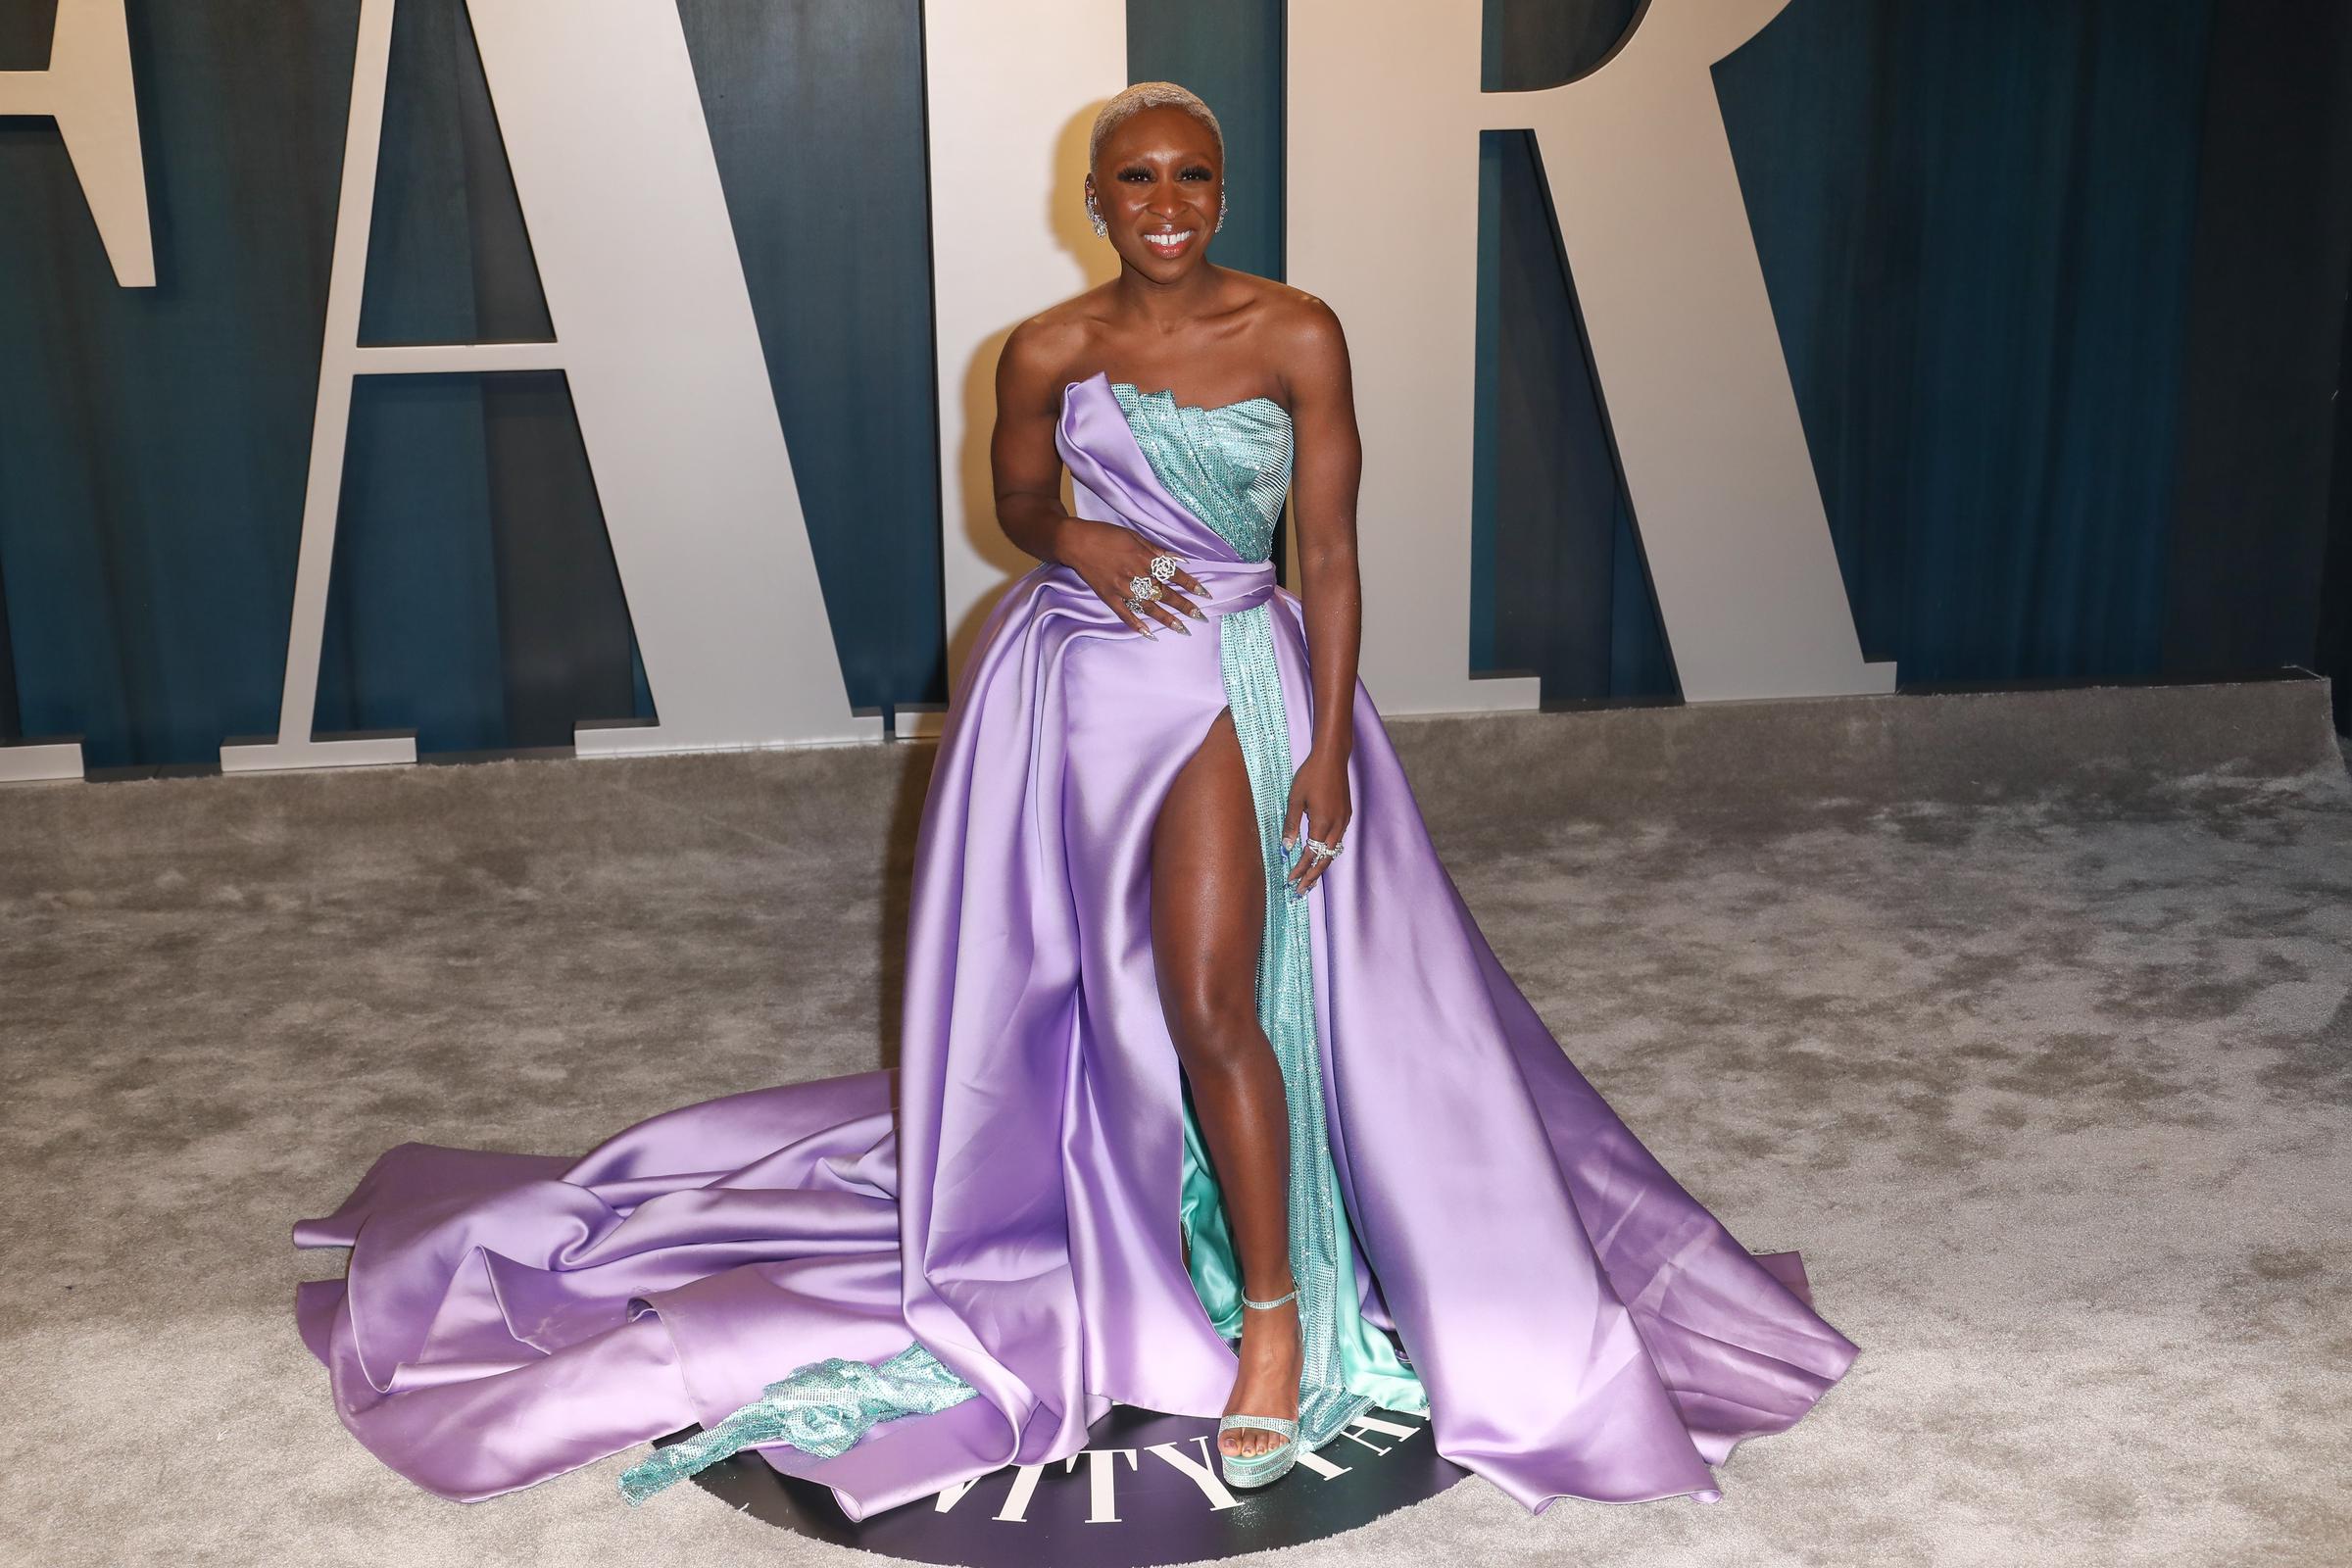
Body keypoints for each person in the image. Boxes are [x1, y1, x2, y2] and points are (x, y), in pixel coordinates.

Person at [292, 81, 1857, 1518]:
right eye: (1135, 180)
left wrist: (1322, 746)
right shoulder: (1044, 346)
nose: (1165, 201)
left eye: (1191, 176)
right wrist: (1083, 543)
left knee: (1207, 999)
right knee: (1092, 1000)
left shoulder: (1299, 331)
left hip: (1233, 687)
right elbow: (1020, 496)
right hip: (1071, 685)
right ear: (1093, 200)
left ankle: (1269, 1320)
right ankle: (1132, 1225)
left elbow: (1332, 553)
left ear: (1220, 191)